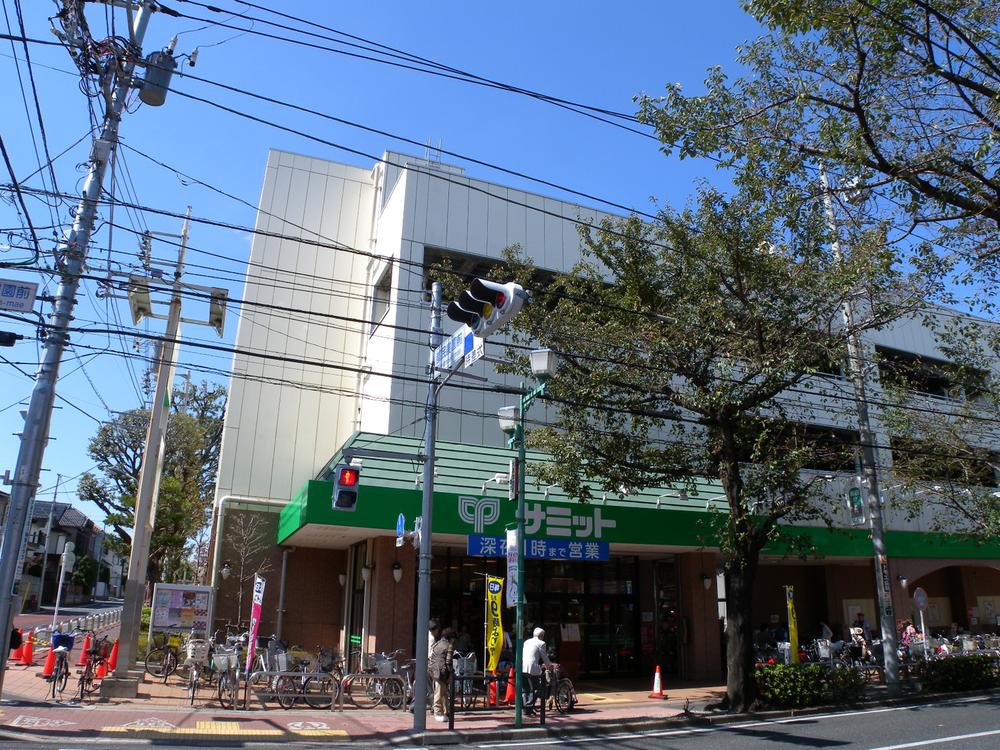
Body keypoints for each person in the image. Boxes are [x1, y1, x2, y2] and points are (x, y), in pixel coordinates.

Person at [521, 627, 552, 715]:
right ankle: (529, 706)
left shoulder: (526, 642)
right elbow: (544, 656)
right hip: (533, 668)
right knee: (536, 689)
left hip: (523, 667)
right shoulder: (541, 643)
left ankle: (526, 708)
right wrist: (549, 666)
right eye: (543, 635)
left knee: (525, 689)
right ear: (541, 635)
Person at [428, 623, 454, 722]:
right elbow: (449, 662)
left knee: (442, 692)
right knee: (439, 693)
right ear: (450, 638)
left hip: (433, 671)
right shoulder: (449, 646)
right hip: (442, 672)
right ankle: (438, 713)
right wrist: (451, 673)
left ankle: (446, 711)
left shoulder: (437, 644)